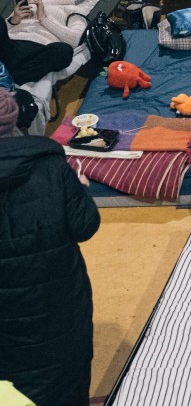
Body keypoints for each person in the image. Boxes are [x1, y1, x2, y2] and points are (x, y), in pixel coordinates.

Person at [0, 136, 100, 406]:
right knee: (66, 381)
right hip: (58, 305)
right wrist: (80, 191)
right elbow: (85, 226)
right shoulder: (52, 167)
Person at [1, 0, 85, 85]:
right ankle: (13, 78)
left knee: (64, 51)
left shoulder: (71, 9)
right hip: (11, 47)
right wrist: (13, 20)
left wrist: (44, 18)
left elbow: (76, 39)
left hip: (39, 52)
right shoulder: (26, 4)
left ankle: (14, 79)